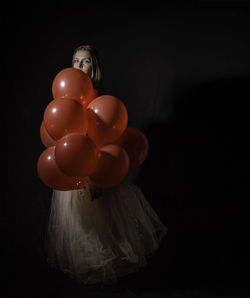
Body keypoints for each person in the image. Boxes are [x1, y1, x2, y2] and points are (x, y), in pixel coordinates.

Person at [45, 45, 168, 286]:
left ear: (95, 66)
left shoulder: (100, 95)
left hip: (97, 170)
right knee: (82, 225)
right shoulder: (66, 96)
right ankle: (91, 273)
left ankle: (107, 274)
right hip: (72, 171)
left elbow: (102, 138)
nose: (80, 66)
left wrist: (95, 177)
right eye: (76, 61)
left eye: (86, 61)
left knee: (102, 222)